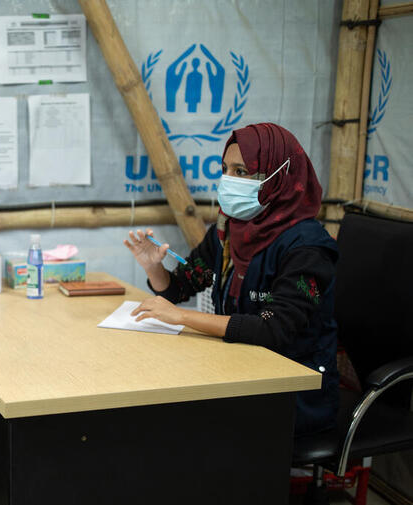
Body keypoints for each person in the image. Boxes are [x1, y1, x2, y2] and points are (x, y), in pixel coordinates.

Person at [124, 123, 339, 436]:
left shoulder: (308, 248)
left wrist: (182, 317)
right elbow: (182, 286)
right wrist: (154, 268)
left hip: (292, 395)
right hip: (239, 371)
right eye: (225, 169)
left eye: (241, 171)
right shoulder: (229, 229)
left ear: (278, 176)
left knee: (176, 428)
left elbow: (274, 329)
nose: (228, 180)